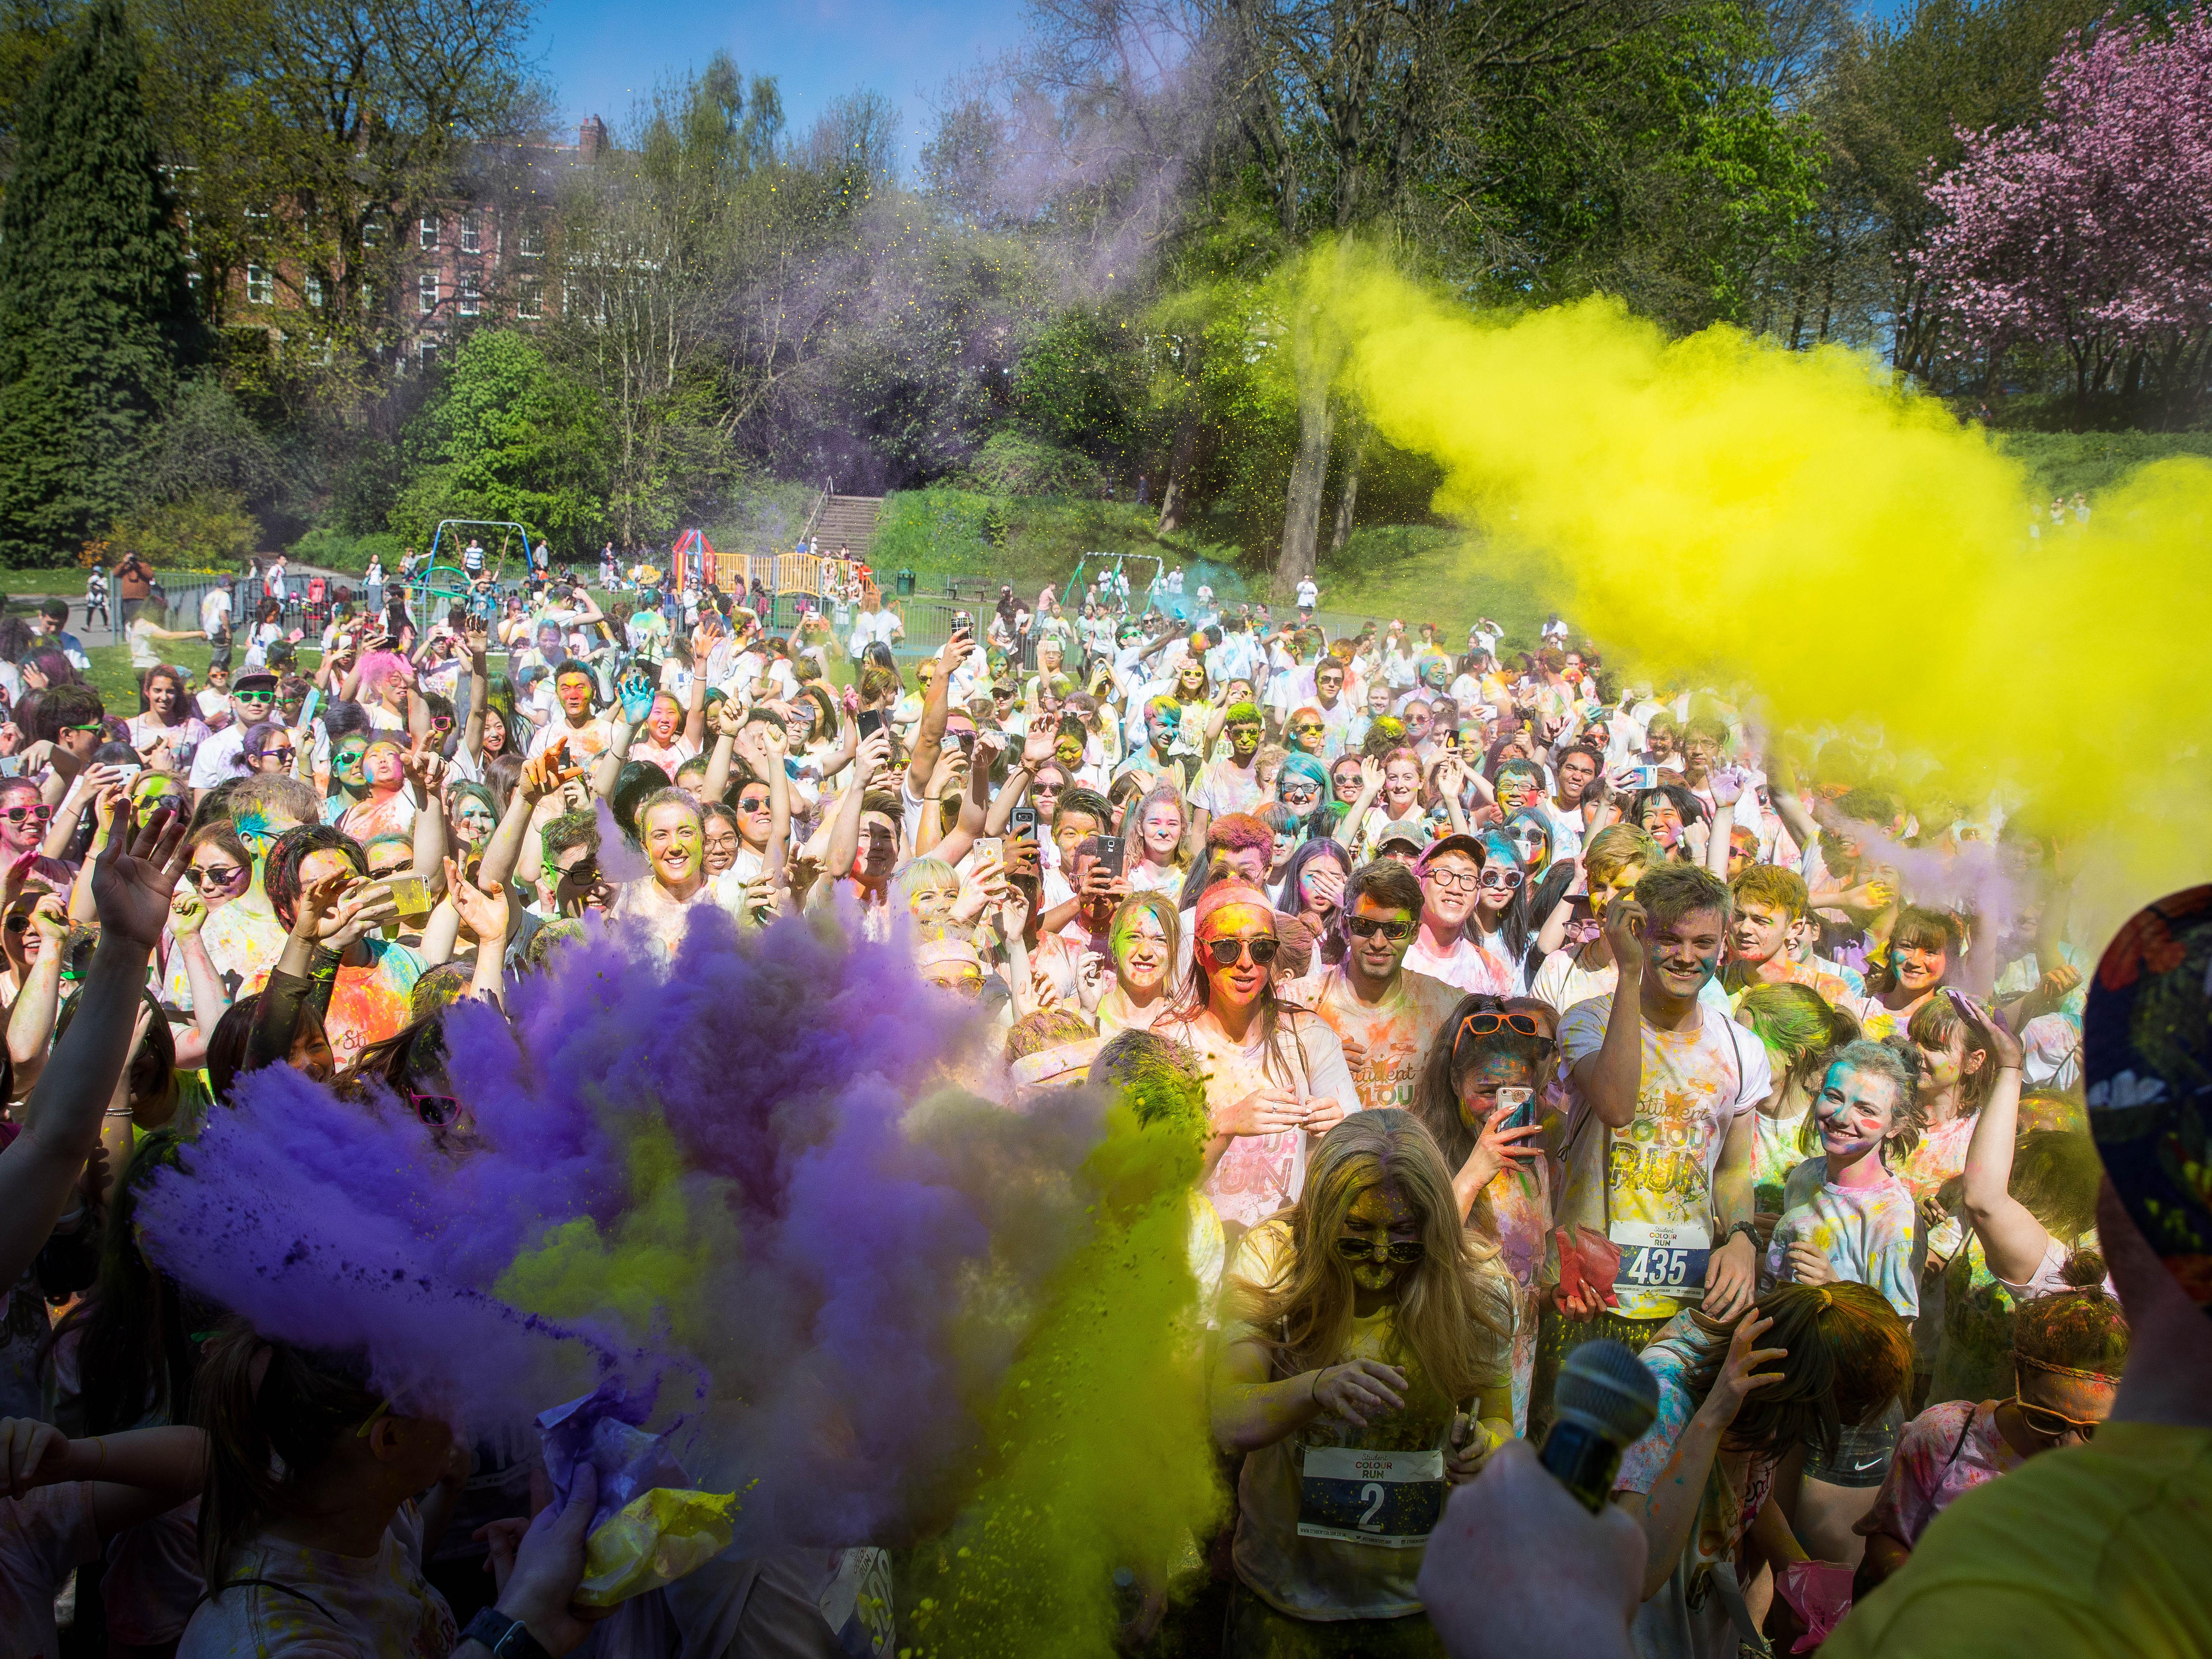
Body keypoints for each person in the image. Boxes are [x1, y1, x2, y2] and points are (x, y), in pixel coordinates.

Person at [1211, 1109, 1513, 1654]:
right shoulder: (1274, 1258)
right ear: (1324, 1219)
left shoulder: (1476, 1284)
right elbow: (1230, 1418)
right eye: (1356, 1235)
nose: (1379, 1256)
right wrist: (1315, 1388)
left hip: (1420, 1604)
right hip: (1288, 1600)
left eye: (1402, 1236)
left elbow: (1500, 1422)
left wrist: (1487, 1451)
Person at [1855, 1260, 2127, 1593]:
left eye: (2093, 1432)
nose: (2068, 1449)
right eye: (2046, 1420)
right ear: (2019, 1382)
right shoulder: (1946, 1436)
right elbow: (1887, 1536)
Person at [1161, 881, 1355, 1237]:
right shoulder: (1169, 1044)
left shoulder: (1308, 1035)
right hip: (1194, 1256)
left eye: (1262, 949)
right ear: (1201, 952)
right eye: (1226, 949)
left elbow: (1360, 1162)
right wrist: (1224, 1125)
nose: (1246, 964)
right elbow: (1158, 1187)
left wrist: (1338, 1133)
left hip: (1283, 1254)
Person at [1306, 859, 1464, 1114]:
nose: (1378, 942)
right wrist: (1310, 1068)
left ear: (1414, 933)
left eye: (1394, 929)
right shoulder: (1300, 1004)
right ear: (1346, 927)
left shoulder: (1448, 1007)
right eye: (1364, 926)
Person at [1402, 834, 1513, 995]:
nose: (1455, 889)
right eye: (1444, 875)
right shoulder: (1395, 956)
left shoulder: (1490, 969)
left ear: (1477, 893)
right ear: (1419, 886)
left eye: (1467, 878)